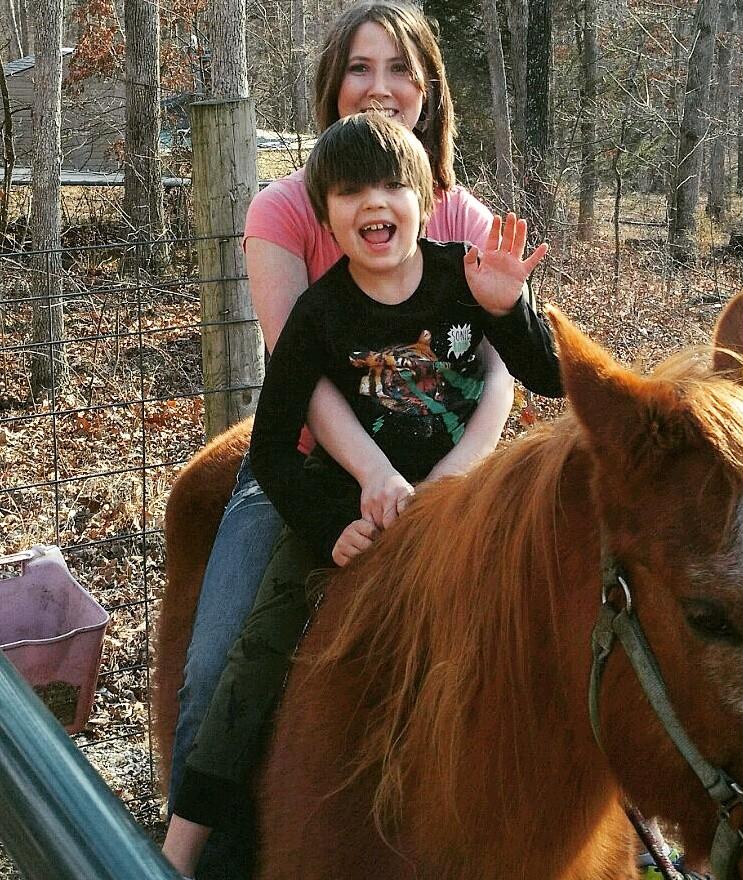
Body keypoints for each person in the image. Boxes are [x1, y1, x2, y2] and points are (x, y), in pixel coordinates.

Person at [163, 111, 561, 878]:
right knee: (256, 656)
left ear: (424, 200)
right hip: (349, 503)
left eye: (389, 186)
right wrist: (332, 524)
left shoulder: (464, 277)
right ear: (325, 216)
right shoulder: (319, 315)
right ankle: (180, 849)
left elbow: (548, 379)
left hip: (458, 502)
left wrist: (509, 309)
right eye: (349, 192)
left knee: (533, 620)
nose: (373, 202)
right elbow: (272, 449)